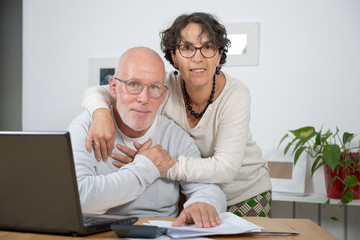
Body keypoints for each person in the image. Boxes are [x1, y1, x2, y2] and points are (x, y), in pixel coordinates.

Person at [82, 12, 272, 217]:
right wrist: (101, 113)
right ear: (174, 56)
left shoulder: (236, 94)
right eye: (187, 48)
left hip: (242, 192)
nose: (197, 57)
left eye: (208, 47)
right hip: (191, 190)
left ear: (219, 56)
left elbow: (225, 169)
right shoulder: (161, 86)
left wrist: (154, 164)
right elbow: (102, 90)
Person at [68, 47, 226, 228]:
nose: (144, 98)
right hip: (101, 232)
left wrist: (203, 202)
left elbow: (208, 188)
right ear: (113, 87)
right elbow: (78, 200)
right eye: (133, 84)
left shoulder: (174, 135)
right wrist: (146, 168)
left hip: (162, 232)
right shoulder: (85, 127)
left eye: (154, 87)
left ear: (163, 96)